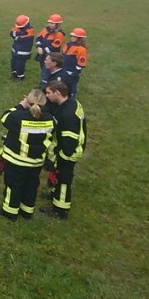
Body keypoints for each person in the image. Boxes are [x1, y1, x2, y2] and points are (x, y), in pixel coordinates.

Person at [0, 89, 55, 221]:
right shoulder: (50, 120)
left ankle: (10, 211)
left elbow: (5, 117)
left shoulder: (18, 117)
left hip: (17, 160)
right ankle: (27, 211)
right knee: (31, 185)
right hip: (36, 162)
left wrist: (21, 105)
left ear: (29, 102)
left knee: (13, 184)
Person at [40, 81, 86, 219]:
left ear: (57, 93)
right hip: (70, 148)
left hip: (68, 153)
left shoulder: (67, 116)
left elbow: (69, 143)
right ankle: (55, 192)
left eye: (48, 93)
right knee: (58, 175)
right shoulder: (72, 103)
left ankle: (60, 210)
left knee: (64, 179)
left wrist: (61, 156)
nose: (46, 96)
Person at [63, 28, 88, 96]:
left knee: (71, 86)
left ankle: (72, 97)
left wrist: (75, 72)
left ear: (80, 38)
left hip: (72, 70)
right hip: (64, 68)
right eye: (72, 36)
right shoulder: (68, 45)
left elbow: (81, 63)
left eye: (75, 37)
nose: (72, 38)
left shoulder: (81, 49)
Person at [10, 15, 35, 81]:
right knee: (13, 62)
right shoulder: (19, 28)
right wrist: (18, 33)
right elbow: (11, 33)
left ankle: (20, 77)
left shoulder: (30, 31)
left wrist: (16, 34)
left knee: (20, 65)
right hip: (15, 50)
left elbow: (19, 39)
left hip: (23, 53)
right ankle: (14, 74)